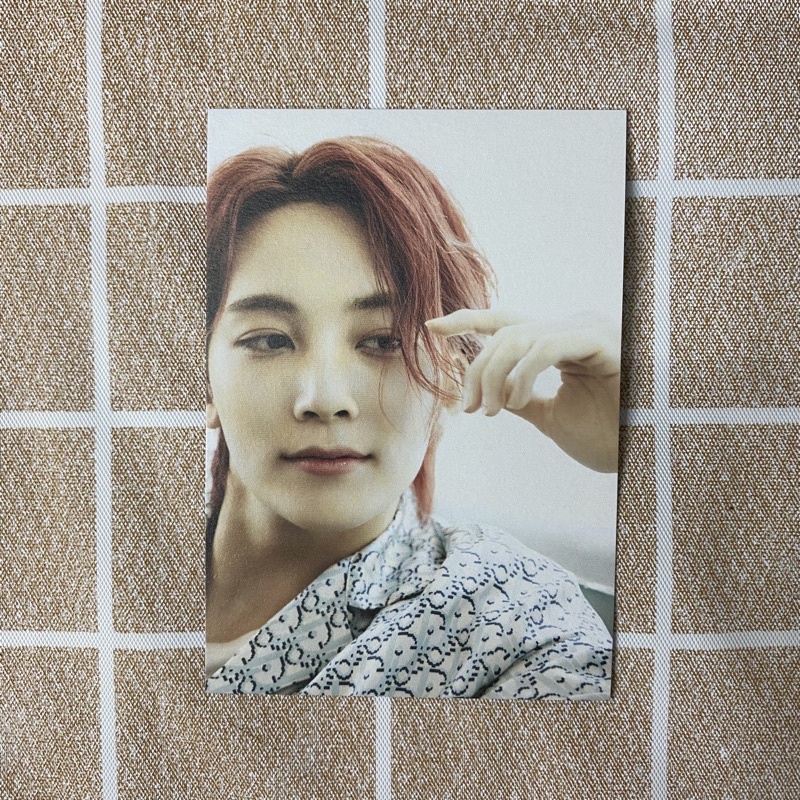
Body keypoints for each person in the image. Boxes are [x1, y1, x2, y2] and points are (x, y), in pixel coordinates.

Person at [204, 136, 618, 698]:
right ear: (198, 377)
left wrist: (654, 446)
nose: (324, 399)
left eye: (383, 341)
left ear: (451, 377)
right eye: (270, 340)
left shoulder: (519, 627)